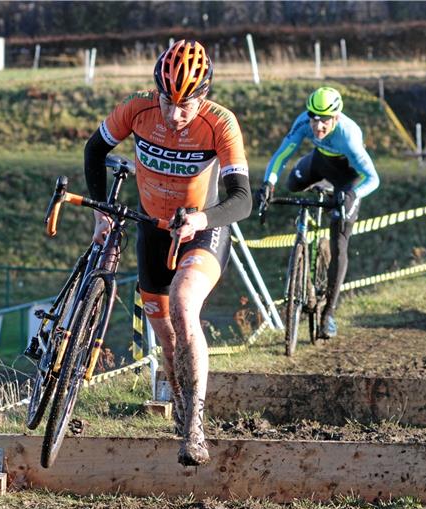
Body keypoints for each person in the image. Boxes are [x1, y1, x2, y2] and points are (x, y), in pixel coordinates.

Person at [83, 39, 251, 466]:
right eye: (167, 101)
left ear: (203, 97)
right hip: (152, 230)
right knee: (166, 339)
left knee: (182, 303)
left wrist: (202, 219)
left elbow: (242, 199)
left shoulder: (220, 123)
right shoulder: (137, 108)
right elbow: (95, 149)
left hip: (200, 232)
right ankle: (180, 404)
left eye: (185, 105)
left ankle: (196, 426)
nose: (174, 115)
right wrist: (101, 211)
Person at [256, 87, 379, 339]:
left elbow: (373, 179)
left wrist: (352, 195)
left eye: (324, 120)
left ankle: (328, 315)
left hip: (349, 179)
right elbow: (282, 154)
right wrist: (269, 183)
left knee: (339, 244)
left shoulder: (349, 136)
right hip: (320, 163)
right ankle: (312, 216)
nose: (318, 126)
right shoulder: (303, 122)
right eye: (314, 118)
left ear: (336, 117)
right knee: (292, 184)